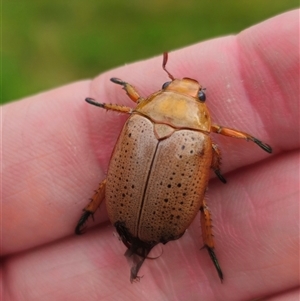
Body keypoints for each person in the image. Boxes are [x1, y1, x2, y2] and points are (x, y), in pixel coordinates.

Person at [2, 10, 299, 301]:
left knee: (109, 184)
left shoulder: (138, 114)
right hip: (160, 213)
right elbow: (216, 150)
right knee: (203, 207)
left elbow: (131, 102)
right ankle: (208, 248)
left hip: (137, 207)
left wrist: (116, 97)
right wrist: (222, 163)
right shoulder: (201, 135)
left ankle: (88, 215)